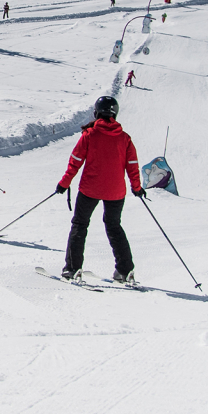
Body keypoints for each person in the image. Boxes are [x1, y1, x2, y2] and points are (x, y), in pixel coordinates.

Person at [54, 96, 142, 283]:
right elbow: (132, 164)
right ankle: (125, 270)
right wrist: (137, 187)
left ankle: (72, 268)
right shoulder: (125, 138)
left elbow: (75, 162)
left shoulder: (90, 135)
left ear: (96, 112)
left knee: (79, 225)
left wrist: (64, 183)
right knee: (114, 226)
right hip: (116, 192)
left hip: (90, 189)